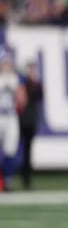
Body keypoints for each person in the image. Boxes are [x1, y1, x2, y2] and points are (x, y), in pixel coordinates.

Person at [0, 48, 23, 191]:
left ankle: (7, 181)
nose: (7, 64)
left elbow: (21, 101)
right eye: (4, 62)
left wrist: (17, 92)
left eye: (8, 61)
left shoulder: (15, 78)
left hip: (11, 115)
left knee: (11, 149)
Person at [17, 60, 43, 190]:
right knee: (14, 150)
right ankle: (10, 177)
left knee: (28, 151)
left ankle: (26, 179)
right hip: (19, 120)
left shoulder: (35, 84)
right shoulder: (22, 83)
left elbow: (39, 96)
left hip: (30, 121)